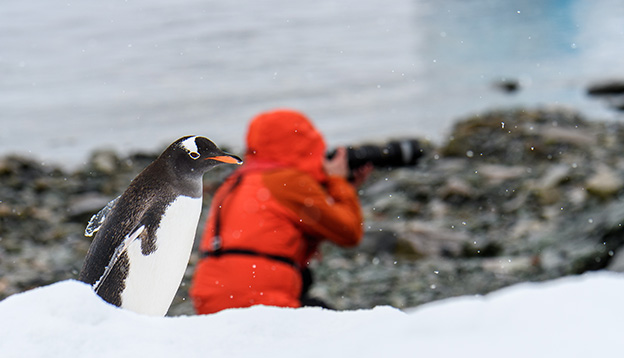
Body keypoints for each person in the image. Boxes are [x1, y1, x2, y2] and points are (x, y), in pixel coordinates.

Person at [190, 109, 372, 314]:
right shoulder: (288, 181)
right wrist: (339, 181)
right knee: (336, 328)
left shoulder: (237, 181)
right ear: (305, 143)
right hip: (258, 300)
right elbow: (349, 232)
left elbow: (272, 235)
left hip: (212, 299)